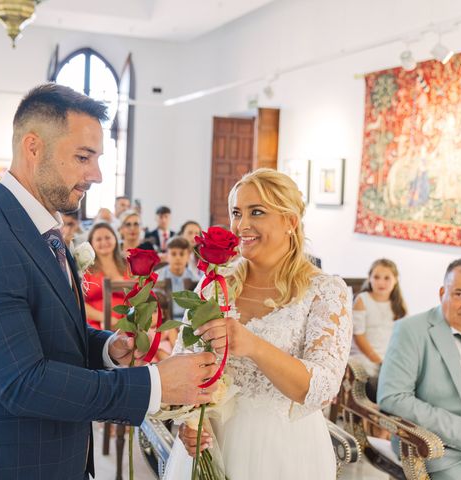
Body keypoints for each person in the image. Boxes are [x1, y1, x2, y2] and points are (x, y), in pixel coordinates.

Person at [0, 83, 218, 480]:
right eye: (83, 157)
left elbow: (45, 332)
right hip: (4, 464)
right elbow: (22, 382)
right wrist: (154, 385)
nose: (96, 175)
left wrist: (108, 349)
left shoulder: (39, 230)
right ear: (34, 147)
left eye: (97, 159)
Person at [164, 168, 352, 480]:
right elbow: (184, 362)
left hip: (285, 451)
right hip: (215, 443)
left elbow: (321, 389)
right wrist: (191, 421)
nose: (242, 225)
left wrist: (254, 346)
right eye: (237, 212)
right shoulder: (215, 285)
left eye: (257, 212)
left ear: (290, 221)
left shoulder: (326, 292)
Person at [378, 258, 461, 480]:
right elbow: (393, 398)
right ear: (441, 292)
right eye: (459, 294)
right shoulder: (411, 330)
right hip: (435, 451)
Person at [350, 259, 406, 400]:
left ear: (396, 280)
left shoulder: (398, 304)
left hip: (389, 355)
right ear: (369, 279)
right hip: (365, 356)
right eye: (376, 277)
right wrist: (377, 359)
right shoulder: (362, 300)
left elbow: (404, 335)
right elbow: (359, 336)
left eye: (387, 278)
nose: (381, 282)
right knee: (378, 382)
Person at [82, 222, 129, 329]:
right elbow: (79, 304)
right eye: (98, 239)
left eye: (107, 237)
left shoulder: (128, 265)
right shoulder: (86, 270)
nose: (104, 242)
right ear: (91, 243)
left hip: (128, 324)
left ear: (115, 239)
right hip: (95, 324)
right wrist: (106, 318)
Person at [156, 236, 199, 320]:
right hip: (164, 322)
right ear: (167, 256)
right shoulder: (157, 278)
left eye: (182, 254)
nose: (178, 258)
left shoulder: (195, 279)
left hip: (188, 321)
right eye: (173, 254)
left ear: (188, 256)